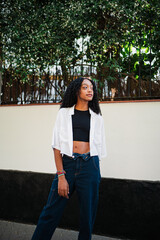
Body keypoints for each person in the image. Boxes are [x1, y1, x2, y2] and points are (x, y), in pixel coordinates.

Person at [31, 77, 107, 240]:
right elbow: (56, 146)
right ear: (77, 91)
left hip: (90, 165)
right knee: (51, 211)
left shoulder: (97, 117)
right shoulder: (64, 113)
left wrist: (95, 171)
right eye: (85, 87)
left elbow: (98, 147)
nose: (89, 90)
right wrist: (61, 175)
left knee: (88, 216)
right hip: (68, 164)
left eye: (91, 87)